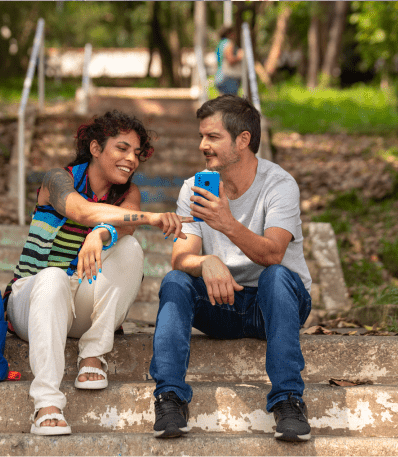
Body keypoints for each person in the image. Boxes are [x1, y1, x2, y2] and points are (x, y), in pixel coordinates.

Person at [3, 110, 193, 436]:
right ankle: (46, 404)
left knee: (130, 250)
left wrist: (100, 234)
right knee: (52, 276)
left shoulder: (128, 194)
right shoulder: (58, 179)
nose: (131, 159)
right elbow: (80, 210)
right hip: (30, 299)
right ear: (95, 148)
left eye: (136, 153)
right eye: (121, 148)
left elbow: (125, 228)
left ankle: (93, 355)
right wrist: (147, 218)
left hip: (81, 302)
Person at [149, 95, 313, 442]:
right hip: (221, 302)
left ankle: (288, 401)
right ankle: (170, 398)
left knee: (277, 276)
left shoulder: (279, 185)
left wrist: (227, 224)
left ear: (243, 139)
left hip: (274, 306)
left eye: (212, 137)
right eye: (202, 136)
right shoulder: (195, 188)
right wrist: (206, 260)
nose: (202, 145)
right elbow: (181, 258)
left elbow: (272, 254)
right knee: (176, 281)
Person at [215, 25, 244, 96]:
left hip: (220, 76)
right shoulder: (228, 44)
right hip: (228, 77)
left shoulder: (220, 44)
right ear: (229, 34)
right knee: (231, 104)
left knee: (223, 103)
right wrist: (239, 56)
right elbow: (230, 60)